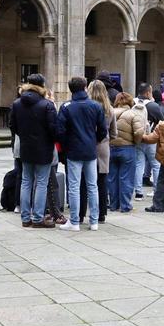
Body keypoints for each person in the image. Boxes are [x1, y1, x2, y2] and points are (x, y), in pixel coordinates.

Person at [56, 75, 105, 231]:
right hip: (90, 150)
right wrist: (94, 141)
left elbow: (60, 131)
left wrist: (66, 146)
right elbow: (103, 130)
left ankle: (75, 221)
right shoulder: (96, 106)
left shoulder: (66, 107)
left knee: (74, 187)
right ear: (85, 87)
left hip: (74, 151)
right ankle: (94, 221)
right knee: (92, 186)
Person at [9, 73, 57, 227]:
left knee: (26, 181)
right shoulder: (47, 105)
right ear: (42, 86)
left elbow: (13, 126)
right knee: (41, 182)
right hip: (44, 148)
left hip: (26, 147)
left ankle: (25, 218)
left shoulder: (17, 103)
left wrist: (24, 136)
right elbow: (53, 129)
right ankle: (37, 218)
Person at [80, 79, 115, 223]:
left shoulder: (85, 107)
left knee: (83, 182)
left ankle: (81, 213)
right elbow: (114, 133)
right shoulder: (109, 109)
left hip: (86, 145)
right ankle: (101, 214)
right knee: (101, 181)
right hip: (103, 147)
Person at [109, 93, 141, 212]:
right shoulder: (133, 114)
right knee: (126, 178)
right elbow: (139, 132)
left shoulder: (109, 113)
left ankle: (113, 204)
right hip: (127, 148)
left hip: (111, 148)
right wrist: (135, 142)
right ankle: (125, 205)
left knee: (112, 178)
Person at [134, 84, 162, 199]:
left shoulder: (132, 103)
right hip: (150, 138)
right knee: (155, 164)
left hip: (137, 138)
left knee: (138, 164)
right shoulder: (153, 106)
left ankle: (138, 192)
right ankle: (157, 190)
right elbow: (161, 120)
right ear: (148, 93)